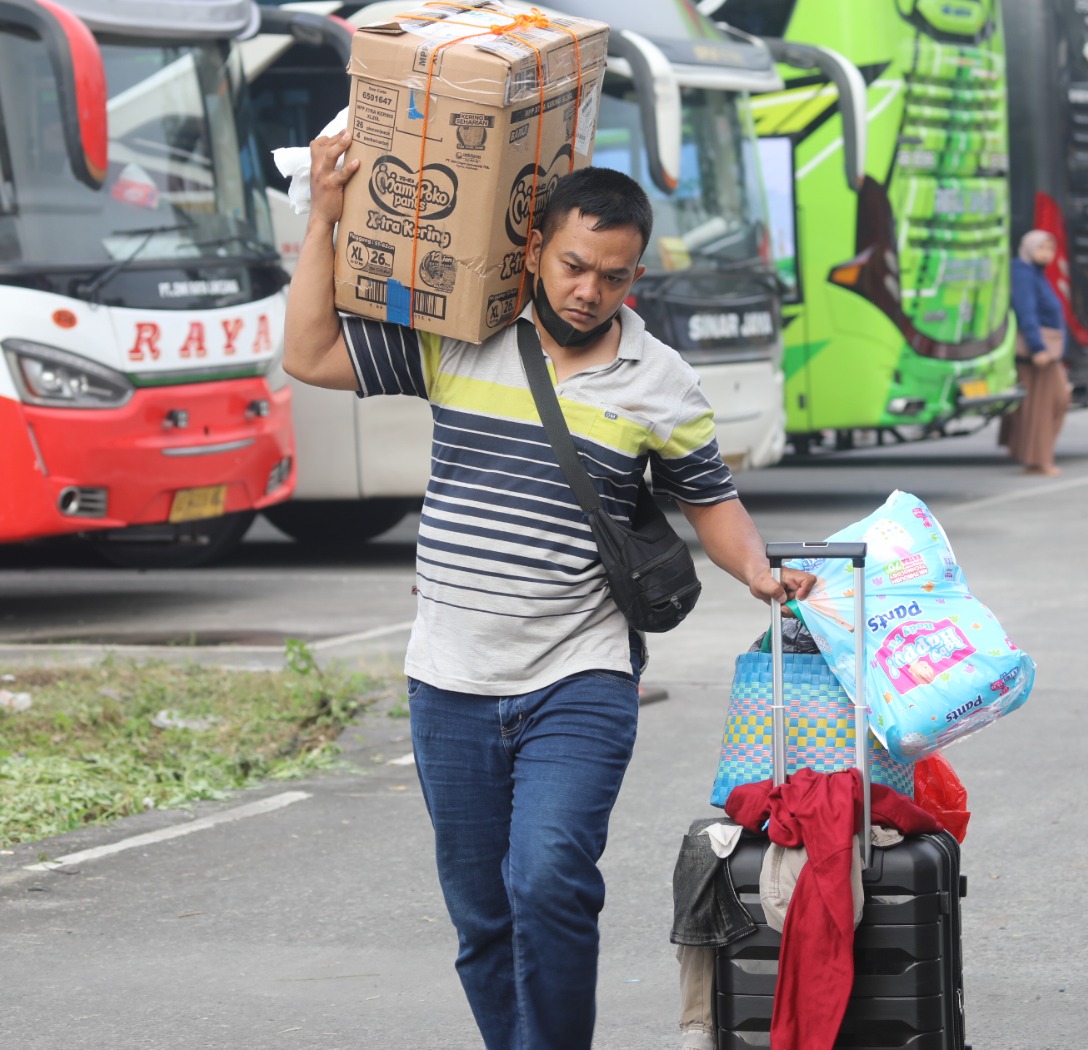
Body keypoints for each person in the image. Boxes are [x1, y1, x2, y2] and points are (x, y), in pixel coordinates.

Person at [283, 131, 814, 1050]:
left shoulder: (662, 382)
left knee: (548, 881)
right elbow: (310, 353)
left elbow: (710, 501)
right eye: (573, 266)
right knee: (484, 916)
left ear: (633, 277)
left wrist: (763, 575)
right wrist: (326, 214)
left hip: (581, 672)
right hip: (448, 680)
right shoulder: (461, 339)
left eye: (612, 277)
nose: (587, 291)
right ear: (535, 250)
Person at [1000, 230, 1071, 475]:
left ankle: (1034, 457)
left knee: (1046, 403)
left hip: (1045, 349)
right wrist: (1037, 347)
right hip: (1036, 352)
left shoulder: (1036, 273)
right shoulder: (1023, 273)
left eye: (1050, 249)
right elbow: (1025, 311)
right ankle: (1038, 460)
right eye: (1042, 248)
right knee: (1047, 404)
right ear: (1029, 248)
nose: (1047, 254)